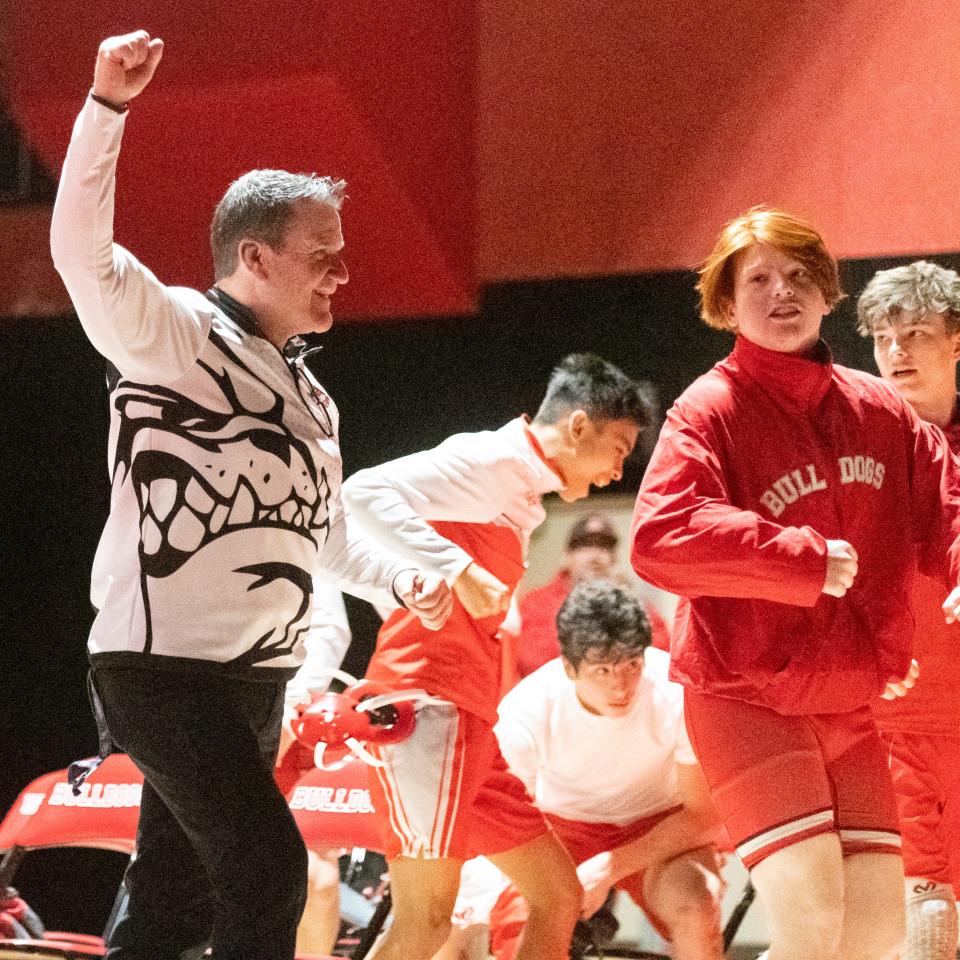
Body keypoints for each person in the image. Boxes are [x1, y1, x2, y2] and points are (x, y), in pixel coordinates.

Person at [50, 31, 452, 960]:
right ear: (256, 258)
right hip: (159, 671)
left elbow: (326, 535)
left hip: (255, 681)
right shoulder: (173, 333)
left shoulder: (314, 394)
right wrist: (105, 107)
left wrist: (400, 582)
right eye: (325, 253)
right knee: (270, 869)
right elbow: (79, 250)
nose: (343, 272)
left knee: (173, 898)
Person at [630, 206, 960, 960]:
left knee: (875, 933)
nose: (784, 293)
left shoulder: (878, 408)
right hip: (747, 697)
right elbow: (658, 536)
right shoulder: (709, 408)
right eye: (761, 280)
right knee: (811, 923)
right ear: (725, 299)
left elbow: (945, 504)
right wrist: (796, 559)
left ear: (828, 292)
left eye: (802, 276)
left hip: (850, 698)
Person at [342, 352, 653, 960]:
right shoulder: (492, 458)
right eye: (618, 447)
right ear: (579, 426)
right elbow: (359, 491)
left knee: (558, 897)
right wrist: (453, 572)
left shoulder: (522, 494)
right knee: (427, 923)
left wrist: (408, 588)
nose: (619, 470)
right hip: (425, 710)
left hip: (472, 723)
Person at [490, 579, 724, 960]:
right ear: (569, 667)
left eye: (632, 664)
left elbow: (705, 816)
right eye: (602, 670)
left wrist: (611, 866)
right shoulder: (527, 710)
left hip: (659, 822)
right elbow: (509, 825)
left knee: (697, 905)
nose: (621, 685)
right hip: (558, 827)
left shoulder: (676, 692)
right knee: (522, 926)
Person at [857, 261, 960, 960]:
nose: (896, 351)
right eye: (883, 336)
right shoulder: (853, 449)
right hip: (892, 723)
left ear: (957, 343)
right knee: (926, 928)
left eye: (917, 333)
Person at [515, 512, 670, 677]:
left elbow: (661, 656)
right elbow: (530, 661)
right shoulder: (538, 602)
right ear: (568, 557)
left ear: (614, 559)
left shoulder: (634, 603)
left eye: (604, 547)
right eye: (585, 545)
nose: (595, 556)